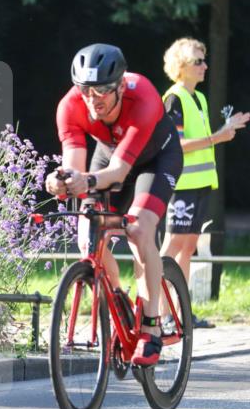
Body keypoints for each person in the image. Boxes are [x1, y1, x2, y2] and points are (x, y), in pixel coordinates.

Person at [47, 44, 183, 367]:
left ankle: (151, 326)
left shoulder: (143, 97)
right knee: (87, 234)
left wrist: (87, 181)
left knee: (139, 229)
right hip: (109, 154)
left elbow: (119, 172)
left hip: (155, 158)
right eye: (85, 90)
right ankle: (119, 299)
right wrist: (61, 181)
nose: (93, 99)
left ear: (121, 86)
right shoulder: (70, 106)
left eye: (102, 91)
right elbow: (74, 167)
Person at [160, 38, 250, 328]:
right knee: (171, 247)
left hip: (200, 184)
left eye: (204, 60)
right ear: (182, 65)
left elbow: (200, 141)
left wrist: (223, 130)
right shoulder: (174, 98)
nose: (205, 66)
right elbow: (177, 144)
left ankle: (182, 313)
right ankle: (159, 315)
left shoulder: (198, 97)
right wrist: (217, 136)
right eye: (198, 61)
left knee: (188, 248)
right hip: (181, 185)